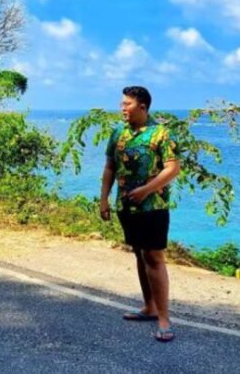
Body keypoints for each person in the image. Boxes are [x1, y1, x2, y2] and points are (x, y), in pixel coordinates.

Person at [99, 85, 180, 343]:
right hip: (126, 206)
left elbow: (172, 169)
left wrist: (146, 190)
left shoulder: (160, 134)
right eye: (122, 104)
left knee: (154, 257)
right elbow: (110, 167)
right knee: (138, 253)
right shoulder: (118, 133)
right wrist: (103, 199)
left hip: (153, 207)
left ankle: (164, 319)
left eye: (127, 104)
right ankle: (149, 307)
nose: (122, 108)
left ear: (142, 107)